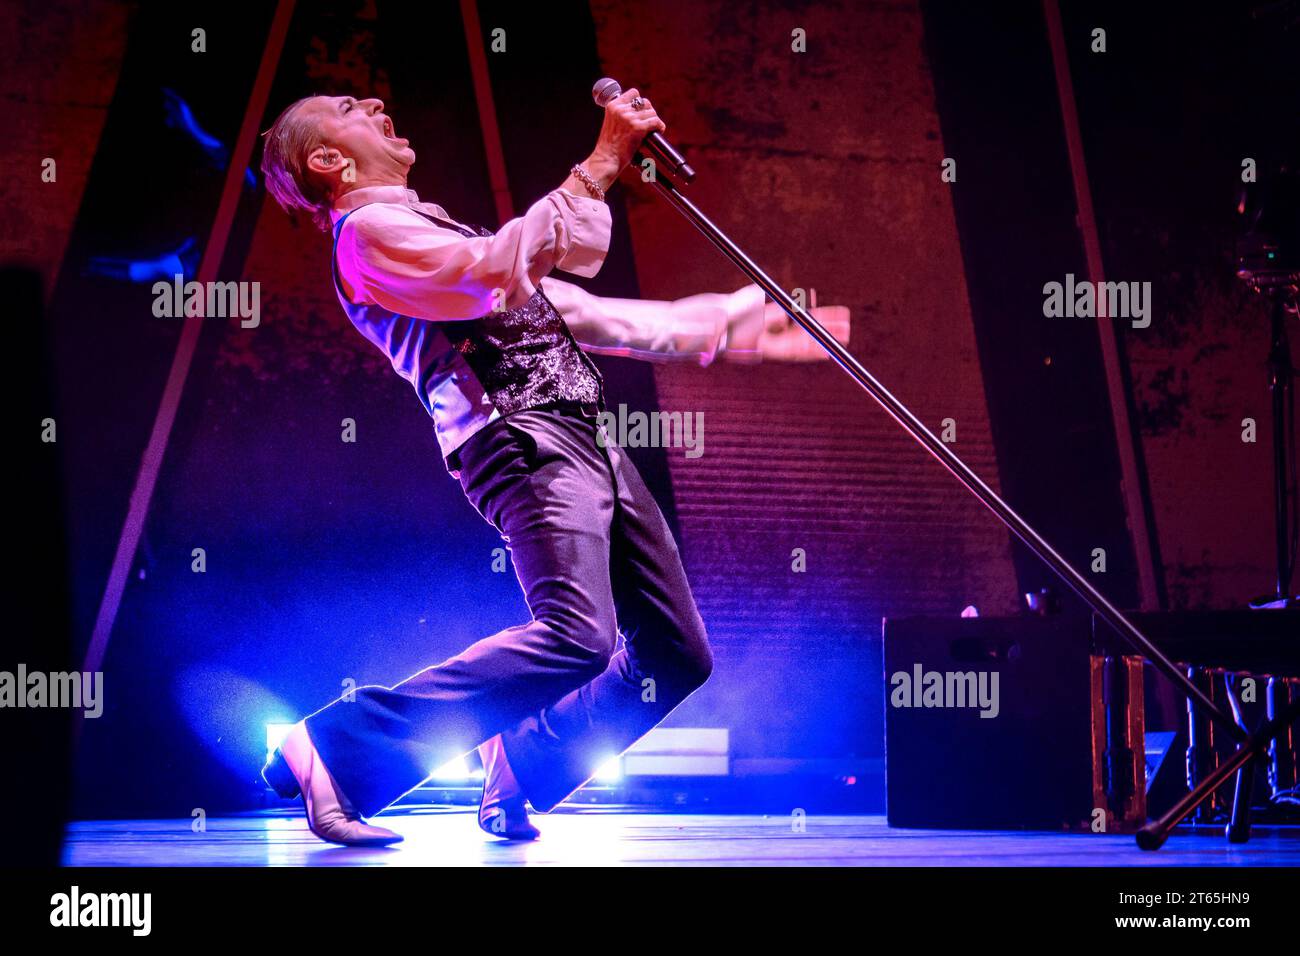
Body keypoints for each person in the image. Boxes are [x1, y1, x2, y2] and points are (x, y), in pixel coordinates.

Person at [257, 90, 849, 846]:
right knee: (577, 635)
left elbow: (593, 317)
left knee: (674, 653)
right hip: (519, 439)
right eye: (347, 105)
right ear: (328, 160)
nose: (373, 100)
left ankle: (525, 760)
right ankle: (335, 747)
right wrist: (601, 162)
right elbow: (492, 271)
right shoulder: (364, 236)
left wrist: (740, 325)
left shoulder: (431, 230)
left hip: (588, 436)